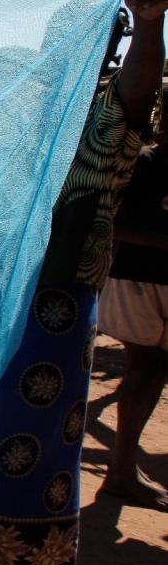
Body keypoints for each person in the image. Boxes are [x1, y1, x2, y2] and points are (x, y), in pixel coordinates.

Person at [0, 0, 167, 565]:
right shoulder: (17, 107)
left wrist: (150, 25)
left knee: (35, 450)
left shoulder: (102, 117)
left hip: (55, 312)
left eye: (103, 42)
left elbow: (138, 92)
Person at [96, 104, 168, 511]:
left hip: (156, 280)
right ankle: (122, 469)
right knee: (145, 367)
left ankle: (124, 467)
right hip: (138, 280)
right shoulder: (144, 163)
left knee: (154, 368)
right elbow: (113, 223)